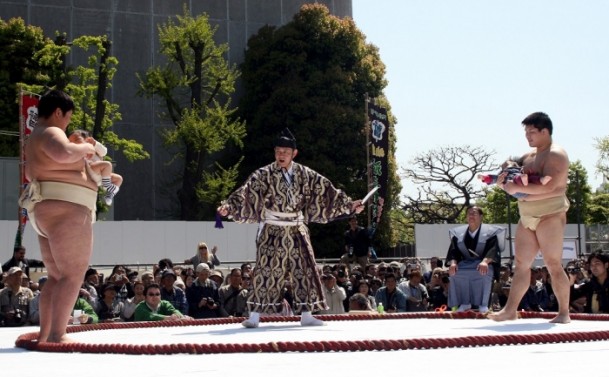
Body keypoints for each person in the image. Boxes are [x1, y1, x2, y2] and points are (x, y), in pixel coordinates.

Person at [217, 128, 364, 328]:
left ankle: (306, 313)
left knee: (305, 270)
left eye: (285, 152)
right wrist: (229, 207)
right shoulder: (263, 174)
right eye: (278, 151)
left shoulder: (306, 174)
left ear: (294, 154)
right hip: (273, 228)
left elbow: (328, 191)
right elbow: (246, 192)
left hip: (296, 227)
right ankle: (254, 315)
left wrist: (349, 205)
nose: (281, 155)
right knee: (266, 271)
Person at [18, 89, 98, 343]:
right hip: (66, 209)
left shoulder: (35, 138)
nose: (67, 125)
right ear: (58, 112)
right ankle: (58, 333)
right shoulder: (52, 132)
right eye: (67, 118)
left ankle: (46, 333)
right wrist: (85, 147)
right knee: (73, 274)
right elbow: (63, 153)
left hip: (47, 211)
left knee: (56, 276)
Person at [489, 112, 571, 324]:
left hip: (550, 214)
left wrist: (516, 188)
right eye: (526, 132)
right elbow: (510, 172)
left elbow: (553, 187)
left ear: (545, 131)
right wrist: (504, 176)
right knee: (521, 263)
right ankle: (510, 310)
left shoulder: (557, 155)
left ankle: (564, 313)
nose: (528, 136)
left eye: (532, 132)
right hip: (527, 215)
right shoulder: (528, 157)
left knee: (553, 263)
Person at [446, 206, 504, 314]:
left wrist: (485, 262)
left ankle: (483, 304)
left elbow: (493, 250)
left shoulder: (489, 233)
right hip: (465, 264)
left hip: (483, 263)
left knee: (483, 271)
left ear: (481, 217)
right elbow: (453, 251)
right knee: (454, 273)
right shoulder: (459, 234)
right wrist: (453, 263)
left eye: (474, 213)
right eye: (469, 214)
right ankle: (464, 303)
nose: (471, 216)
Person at [67, 129, 122, 205]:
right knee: (107, 164)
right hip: (92, 168)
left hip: (102, 176)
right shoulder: (77, 150)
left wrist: (95, 144)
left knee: (119, 179)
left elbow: (104, 152)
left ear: (88, 139)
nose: (74, 143)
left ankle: (109, 195)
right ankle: (107, 185)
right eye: (70, 142)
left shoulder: (93, 147)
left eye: (77, 139)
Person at [478, 158, 552, 198]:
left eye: (511, 163)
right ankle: (525, 180)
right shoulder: (503, 176)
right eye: (506, 165)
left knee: (532, 177)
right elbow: (492, 178)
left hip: (523, 183)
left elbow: (527, 168)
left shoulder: (520, 169)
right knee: (516, 179)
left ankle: (542, 180)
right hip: (515, 187)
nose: (509, 165)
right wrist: (484, 177)